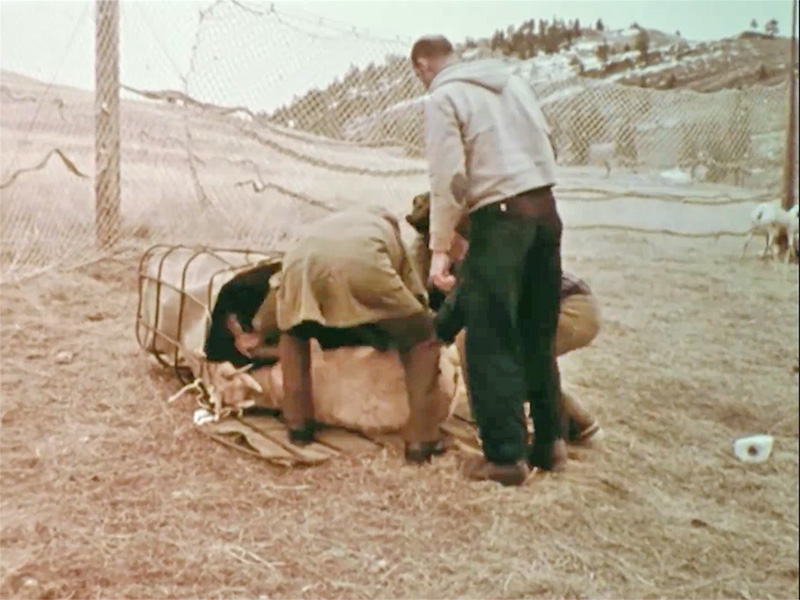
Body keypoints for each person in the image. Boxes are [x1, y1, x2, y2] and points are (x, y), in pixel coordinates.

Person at [411, 35, 566, 486]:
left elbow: (449, 178)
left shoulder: (443, 97)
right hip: (545, 209)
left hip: (500, 217)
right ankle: (550, 443)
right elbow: (549, 144)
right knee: (537, 330)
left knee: (489, 335)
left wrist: (440, 250)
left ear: (422, 66)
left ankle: (505, 457)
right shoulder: (512, 83)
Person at [231, 206, 449, 464]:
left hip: (301, 265)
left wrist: (263, 330)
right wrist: (421, 322)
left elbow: (279, 290)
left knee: (295, 334)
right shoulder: (388, 235)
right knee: (422, 340)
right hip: (364, 264)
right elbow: (412, 295)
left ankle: (298, 427)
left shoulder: (321, 229)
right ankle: (422, 440)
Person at [406, 193, 604, 451]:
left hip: (571, 306)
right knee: (507, 364)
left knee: (483, 349)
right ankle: (574, 428)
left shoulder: (487, 241)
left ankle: (491, 425)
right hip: (529, 309)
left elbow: (479, 308)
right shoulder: (426, 253)